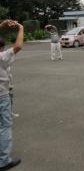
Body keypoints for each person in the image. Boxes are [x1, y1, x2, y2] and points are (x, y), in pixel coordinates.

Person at [0, 20, 23, 170]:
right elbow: (18, 46)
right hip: (1, 96)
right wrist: (20, 27)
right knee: (5, 126)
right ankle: (4, 161)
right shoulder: (2, 57)